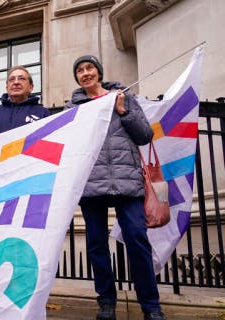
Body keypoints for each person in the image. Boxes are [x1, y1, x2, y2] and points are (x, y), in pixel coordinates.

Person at [66, 55, 166, 320]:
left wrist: (123, 110)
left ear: (99, 72)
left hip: (127, 183)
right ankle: (106, 302)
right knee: (97, 245)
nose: (85, 73)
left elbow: (145, 135)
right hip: (91, 185)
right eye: (80, 71)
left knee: (137, 241)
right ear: (77, 78)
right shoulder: (73, 108)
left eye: (89, 68)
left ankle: (151, 306)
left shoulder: (124, 98)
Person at [0, 66, 51, 156]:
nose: (16, 82)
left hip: (31, 169)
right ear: (7, 87)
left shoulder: (43, 113)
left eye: (21, 78)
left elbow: (52, 148)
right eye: (11, 79)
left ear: (31, 87)